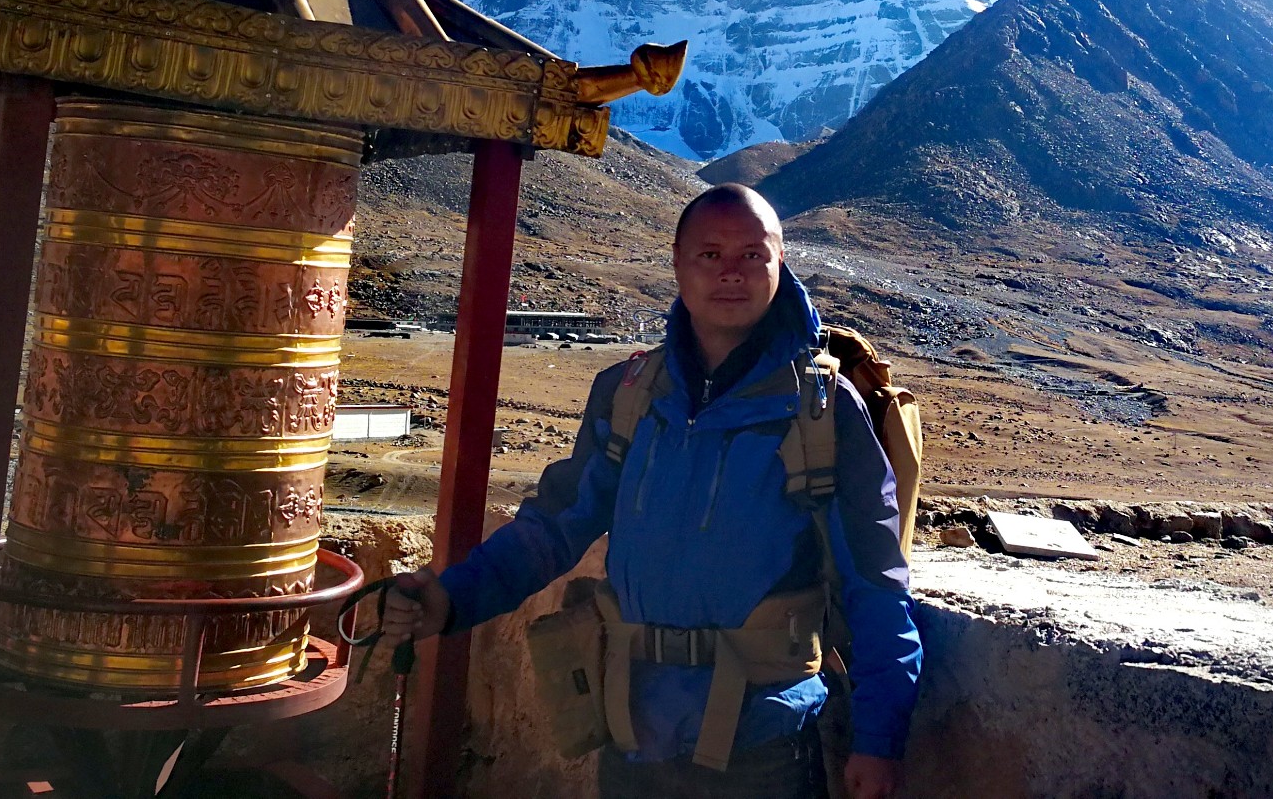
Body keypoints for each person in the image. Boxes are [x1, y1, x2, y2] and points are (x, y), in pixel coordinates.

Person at [383, 184, 921, 799]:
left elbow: (876, 580)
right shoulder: (630, 393)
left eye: (752, 255)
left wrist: (880, 739)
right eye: (709, 254)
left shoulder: (823, 410)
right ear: (677, 263)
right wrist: (450, 600)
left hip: (763, 741)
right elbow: (555, 528)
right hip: (633, 731)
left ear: (779, 263)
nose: (731, 273)